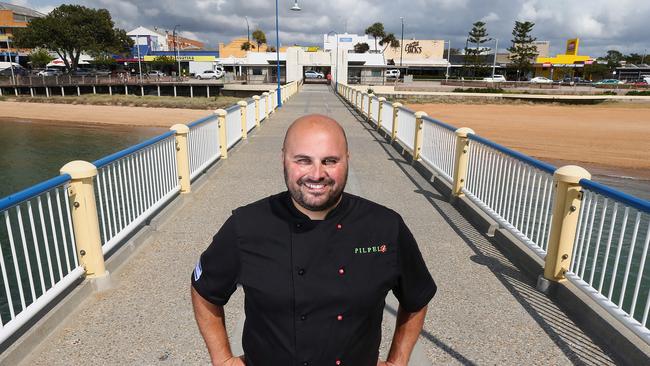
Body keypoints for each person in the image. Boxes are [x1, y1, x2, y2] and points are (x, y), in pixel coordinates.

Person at [191, 114, 436, 366]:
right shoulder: (246, 225)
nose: (317, 174)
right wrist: (222, 359)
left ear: (347, 160)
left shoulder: (385, 226)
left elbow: (416, 297)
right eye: (303, 160)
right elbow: (205, 290)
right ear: (284, 160)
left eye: (330, 161)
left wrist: (398, 360)